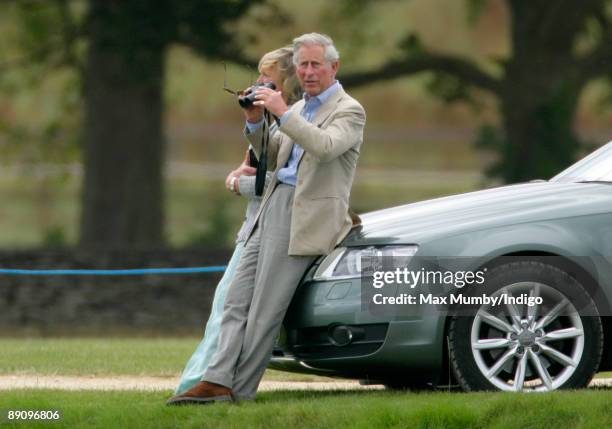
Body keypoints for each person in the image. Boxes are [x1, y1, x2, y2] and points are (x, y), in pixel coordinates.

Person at [168, 32, 366, 404]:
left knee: (264, 310)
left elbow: (324, 148)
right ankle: (216, 380)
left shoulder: (348, 110)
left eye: (314, 65)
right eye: (302, 65)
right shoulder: (302, 107)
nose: (307, 72)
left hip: (305, 215)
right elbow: (271, 157)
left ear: (333, 67)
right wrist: (256, 121)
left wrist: (281, 111)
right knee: (236, 300)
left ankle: (238, 392)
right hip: (271, 205)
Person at [171, 46, 301, 396]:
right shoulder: (273, 127)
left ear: (286, 86)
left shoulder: (300, 124)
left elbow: (281, 186)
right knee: (226, 306)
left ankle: (223, 384)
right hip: (255, 225)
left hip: (277, 224)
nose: (259, 85)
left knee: (243, 309)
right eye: (259, 79)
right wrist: (254, 119)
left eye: (268, 81)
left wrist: (236, 183)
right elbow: (259, 168)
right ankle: (210, 381)